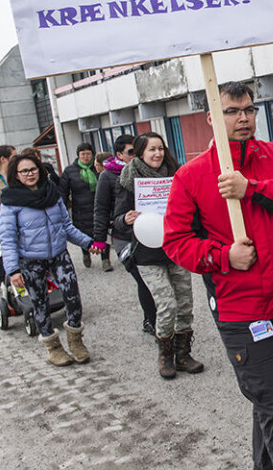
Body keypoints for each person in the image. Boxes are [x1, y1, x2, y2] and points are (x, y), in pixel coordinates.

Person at [163, 81, 273, 470]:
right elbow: (176, 242)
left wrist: (249, 187)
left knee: (272, 401)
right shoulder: (192, 175)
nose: (243, 118)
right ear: (211, 119)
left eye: (248, 110)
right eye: (231, 111)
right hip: (242, 311)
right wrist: (222, 256)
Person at [0, 152, 102, 366]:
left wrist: (88, 242)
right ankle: (53, 347)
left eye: (33, 169)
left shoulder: (52, 193)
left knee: (72, 297)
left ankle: (75, 341)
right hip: (30, 260)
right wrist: (13, 269)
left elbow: (66, 226)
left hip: (58, 255)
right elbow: (7, 239)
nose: (30, 174)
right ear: (16, 175)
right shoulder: (10, 201)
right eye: (24, 171)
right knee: (40, 303)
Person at [115, 132, 203, 378]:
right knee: (166, 304)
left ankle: (183, 354)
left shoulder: (177, 177)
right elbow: (117, 221)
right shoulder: (128, 181)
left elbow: (192, 211)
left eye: (160, 148)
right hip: (146, 254)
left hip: (176, 249)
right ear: (141, 153)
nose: (157, 154)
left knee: (185, 303)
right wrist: (125, 219)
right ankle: (165, 355)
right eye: (151, 149)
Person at [94, 134, 157, 327]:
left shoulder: (148, 171)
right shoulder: (108, 176)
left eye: (137, 151)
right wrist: (99, 239)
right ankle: (150, 320)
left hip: (150, 234)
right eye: (130, 152)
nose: (134, 155)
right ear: (119, 154)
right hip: (125, 236)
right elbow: (101, 208)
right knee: (142, 278)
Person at [59, 142, 100, 269]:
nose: (86, 157)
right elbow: (63, 191)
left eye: (88, 154)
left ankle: (105, 258)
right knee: (83, 232)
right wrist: (61, 208)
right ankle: (86, 253)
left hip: (97, 205)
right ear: (78, 155)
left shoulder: (97, 168)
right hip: (80, 208)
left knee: (101, 230)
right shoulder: (70, 171)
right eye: (83, 154)